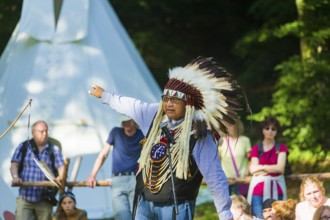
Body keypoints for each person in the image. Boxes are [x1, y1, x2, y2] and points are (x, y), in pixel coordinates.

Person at [88, 56, 244, 219]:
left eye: (175, 100)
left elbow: (215, 177)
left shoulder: (199, 133)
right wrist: (105, 96)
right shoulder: (154, 115)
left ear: (188, 104)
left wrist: (225, 213)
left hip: (176, 205)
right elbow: (132, 105)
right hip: (144, 202)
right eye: (166, 99)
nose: (168, 104)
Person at [87, 114, 144, 220]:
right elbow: (104, 154)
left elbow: (146, 157)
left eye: (128, 120)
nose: (125, 123)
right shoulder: (115, 132)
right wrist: (92, 175)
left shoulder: (142, 134)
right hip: (117, 180)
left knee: (138, 215)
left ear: (134, 120)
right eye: (123, 121)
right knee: (121, 216)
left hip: (135, 179)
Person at [10, 120, 65, 220]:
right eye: (41, 131)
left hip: (45, 198)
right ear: (33, 133)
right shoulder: (24, 147)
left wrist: (61, 176)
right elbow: (14, 165)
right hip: (25, 198)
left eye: (46, 131)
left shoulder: (54, 149)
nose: (45, 134)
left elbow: (61, 166)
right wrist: (15, 177)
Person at [247, 116, 288, 219]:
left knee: (278, 217)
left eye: (273, 129)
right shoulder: (256, 148)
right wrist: (272, 168)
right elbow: (253, 170)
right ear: (262, 130)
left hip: (277, 189)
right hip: (258, 191)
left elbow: (280, 169)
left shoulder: (281, 147)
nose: (270, 131)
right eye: (267, 128)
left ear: (276, 131)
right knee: (258, 217)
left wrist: (262, 167)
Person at [218, 120, 251, 196]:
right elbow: (216, 160)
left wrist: (247, 171)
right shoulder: (221, 141)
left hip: (241, 179)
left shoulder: (245, 140)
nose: (227, 128)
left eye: (230, 125)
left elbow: (251, 159)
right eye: (226, 126)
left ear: (237, 126)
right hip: (225, 180)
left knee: (241, 205)